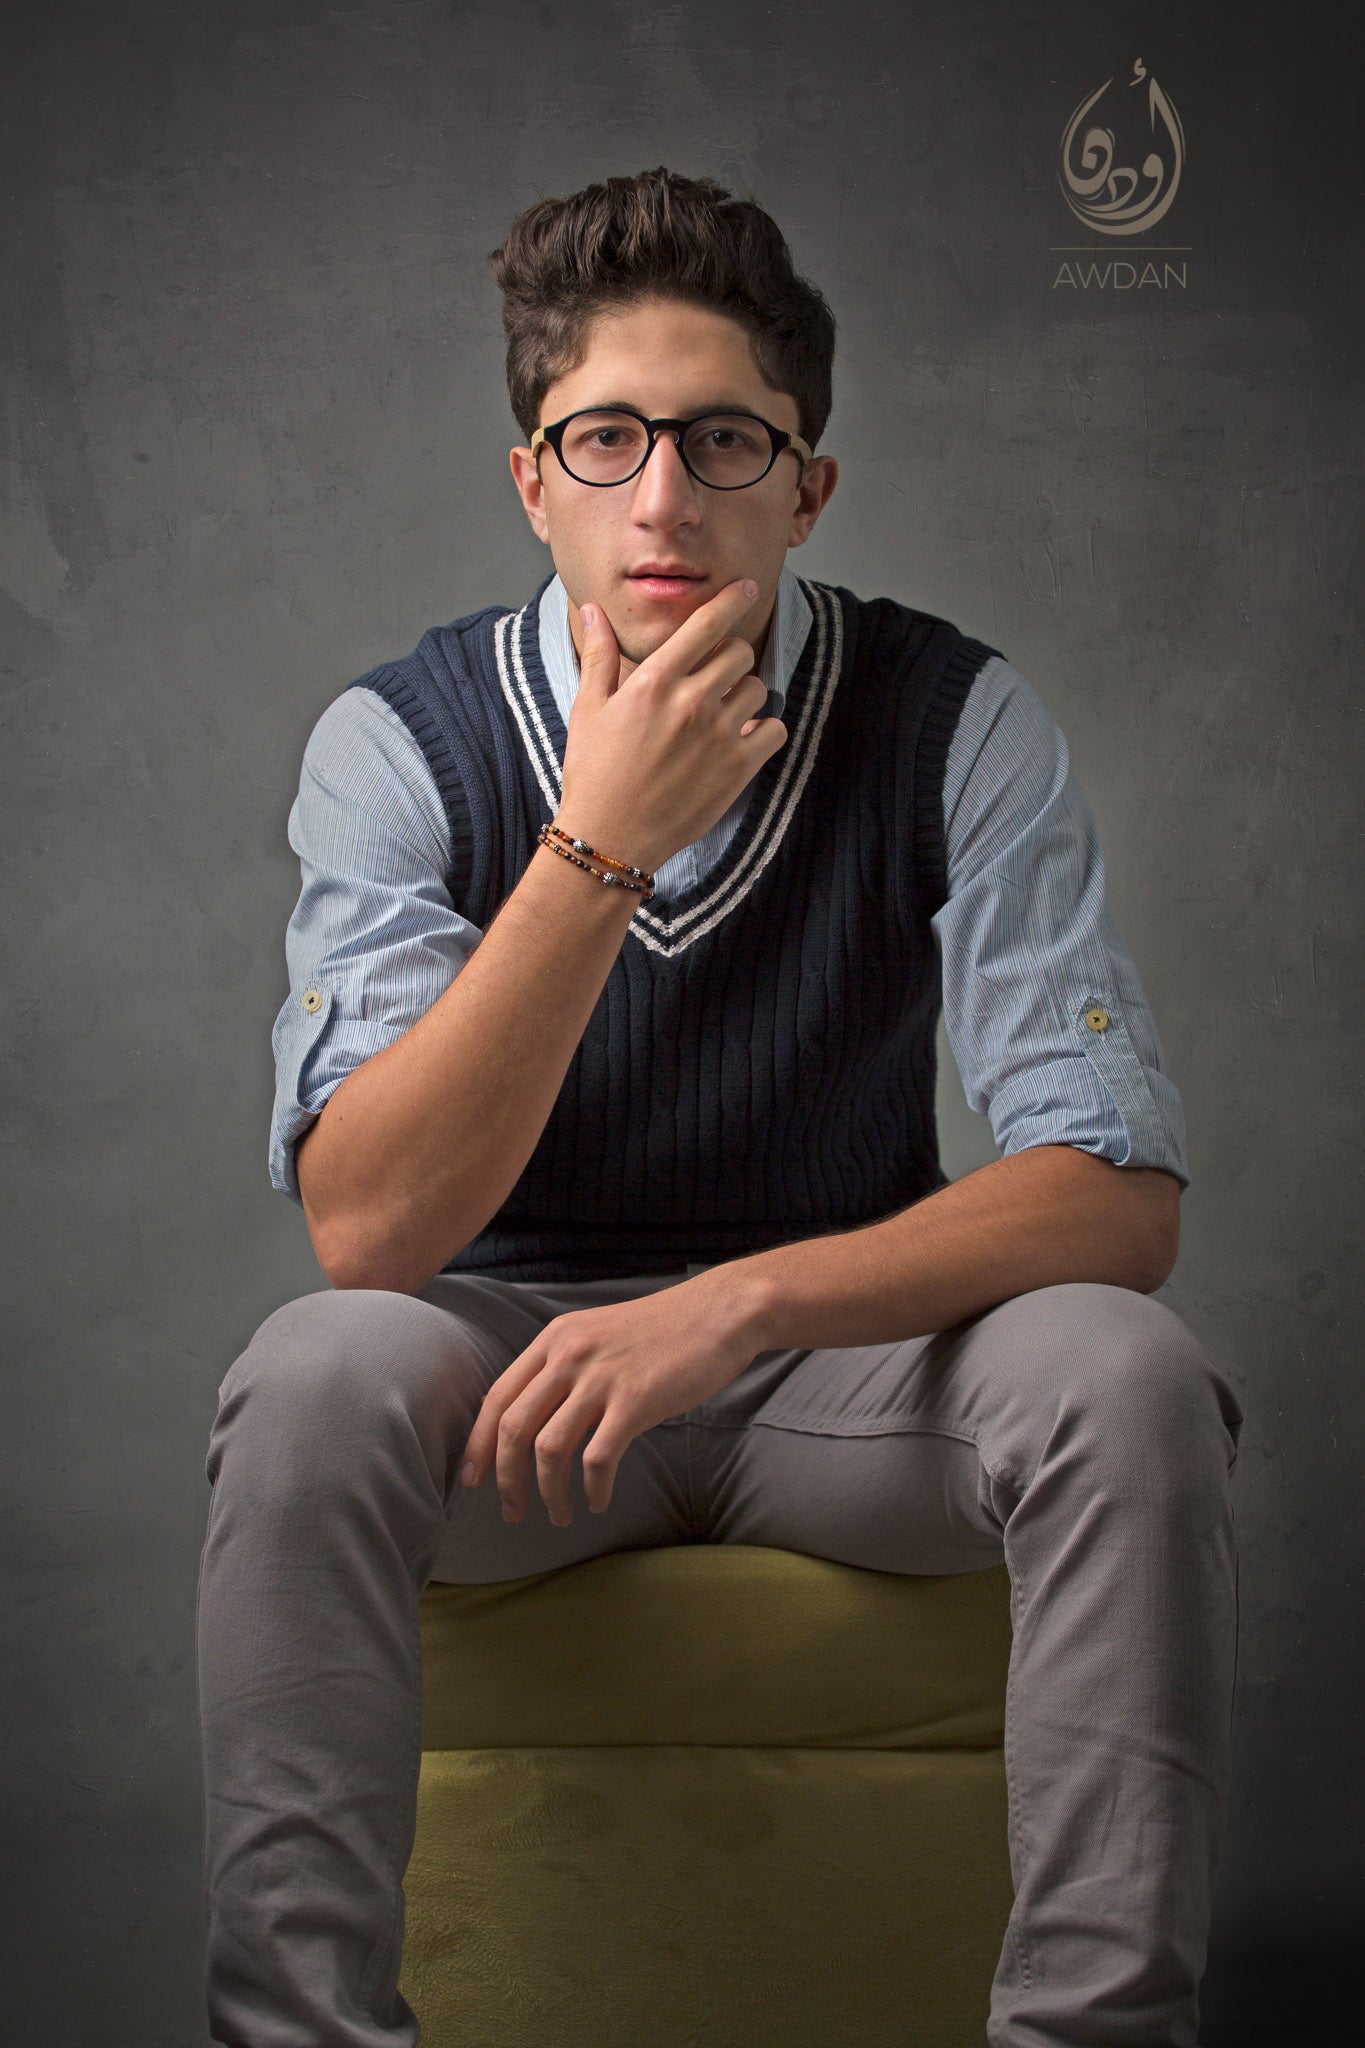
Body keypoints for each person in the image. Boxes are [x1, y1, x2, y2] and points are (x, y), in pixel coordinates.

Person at [196, 166, 1244, 2047]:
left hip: (842, 1377)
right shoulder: (398, 743)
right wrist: (601, 840)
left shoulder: (952, 717)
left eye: (722, 440)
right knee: (306, 1372)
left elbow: (1112, 1193)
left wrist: (742, 1301)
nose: (661, 498)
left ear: (805, 483)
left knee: (1121, 1368)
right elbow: (368, 1235)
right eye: (603, 439)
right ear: (533, 478)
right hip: (511, 1386)